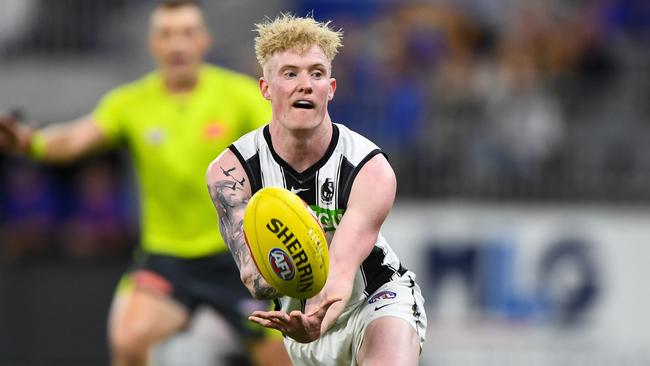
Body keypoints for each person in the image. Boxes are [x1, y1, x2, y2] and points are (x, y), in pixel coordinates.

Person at [0, 1, 290, 365]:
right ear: (153, 44)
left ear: (204, 40)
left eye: (187, 33)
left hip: (239, 258)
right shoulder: (131, 103)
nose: (177, 44)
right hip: (167, 262)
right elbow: (75, 138)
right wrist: (31, 142)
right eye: (167, 35)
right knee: (128, 341)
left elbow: (284, 139)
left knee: (282, 359)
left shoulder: (237, 94)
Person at [206, 14, 427, 365]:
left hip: (372, 300)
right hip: (299, 322)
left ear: (331, 88)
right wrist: (288, 239)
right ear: (265, 88)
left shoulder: (369, 168)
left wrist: (317, 313)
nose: (305, 84)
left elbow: (341, 269)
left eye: (317, 73)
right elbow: (255, 280)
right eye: (290, 73)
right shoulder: (231, 172)